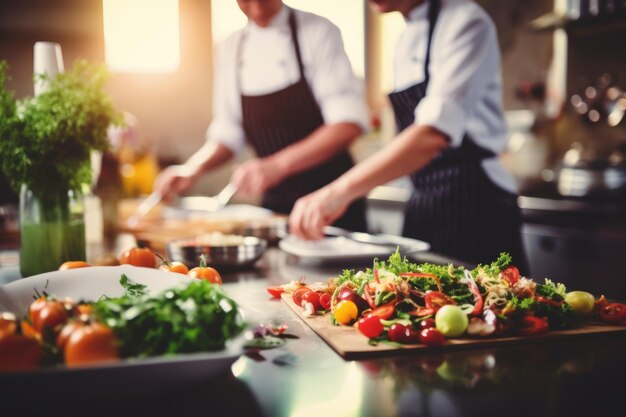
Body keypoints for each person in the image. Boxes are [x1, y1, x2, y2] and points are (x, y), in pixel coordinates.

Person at [289, 0, 528, 271]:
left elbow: (431, 134)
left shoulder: (466, 21)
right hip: (423, 204)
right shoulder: (405, 39)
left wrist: (337, 192)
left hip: (476, 203)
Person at [155, 0, 369, 232]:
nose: (257, 6)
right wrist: (192, 168)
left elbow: (347, 124)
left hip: (332, 203)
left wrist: (276, 165)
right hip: (274, 212)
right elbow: (228, 133)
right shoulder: (230, 48)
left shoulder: (318, 32)